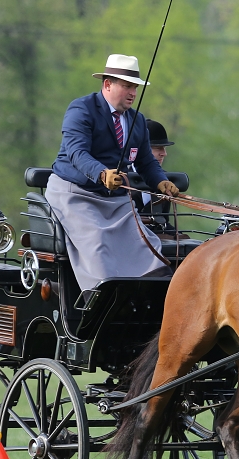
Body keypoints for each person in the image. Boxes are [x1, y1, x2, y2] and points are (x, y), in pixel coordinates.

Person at [47, 54, 179, 291]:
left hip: (115, 199)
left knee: (147, 244)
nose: (133, 93)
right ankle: (101, 305)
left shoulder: (137, 121)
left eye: (135, 88)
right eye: (127, 86)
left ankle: (148, 299)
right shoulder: (81, 109)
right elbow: (77, 153)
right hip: (76, 194)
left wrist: (161, 182)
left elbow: (146, 161)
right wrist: (101, 174)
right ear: (107, 84)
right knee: (98, 244)